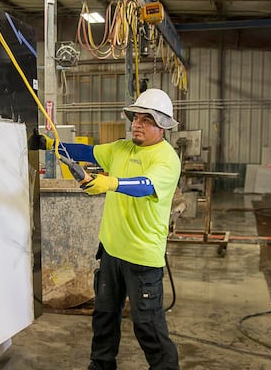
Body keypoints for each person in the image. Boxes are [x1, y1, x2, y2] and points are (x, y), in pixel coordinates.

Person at [29, 88, 181, 370]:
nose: (137, 124)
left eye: (146, 120)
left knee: (148, 326)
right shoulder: (122, 148)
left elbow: (145, 185)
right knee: (104, 316)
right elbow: (87, 152)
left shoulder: (166, 159)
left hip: (142, 257)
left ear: (162, 125)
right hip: (112, 252)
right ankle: (101, 366)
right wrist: (50, 144)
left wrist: (106, 183)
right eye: (135, 117)